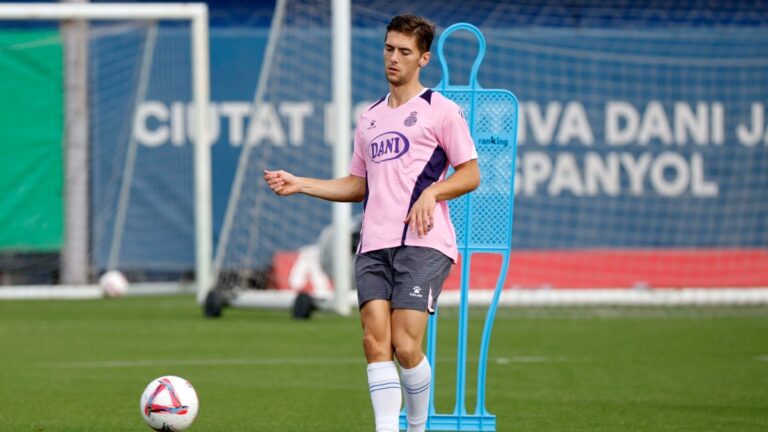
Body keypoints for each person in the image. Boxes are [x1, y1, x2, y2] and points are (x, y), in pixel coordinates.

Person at [263, 14, 479, 432]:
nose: (393, 58)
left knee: (404, 344)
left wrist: (433, 193)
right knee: (373, 342)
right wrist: (300, 183)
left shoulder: (442, 111)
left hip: (424, 242)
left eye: (404, 52)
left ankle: (416, 427)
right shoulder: (371, 117)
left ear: (423, 59)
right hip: (373, 243)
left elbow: (470, 173)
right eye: (388, 48)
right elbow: (357, 185)